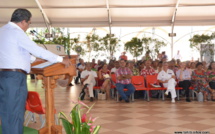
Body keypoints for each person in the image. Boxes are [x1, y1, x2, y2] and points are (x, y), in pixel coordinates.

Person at [0, 8, 71, 134]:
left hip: (4, 76)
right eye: (29, 23)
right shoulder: (17, 32)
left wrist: (33, 59)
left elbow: (15, 52)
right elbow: (36, 49)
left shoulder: (3, 31)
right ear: (23, 21)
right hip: (15, 78)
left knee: (7, 113)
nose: (28, 26)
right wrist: (60, 59)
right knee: (16, 114)